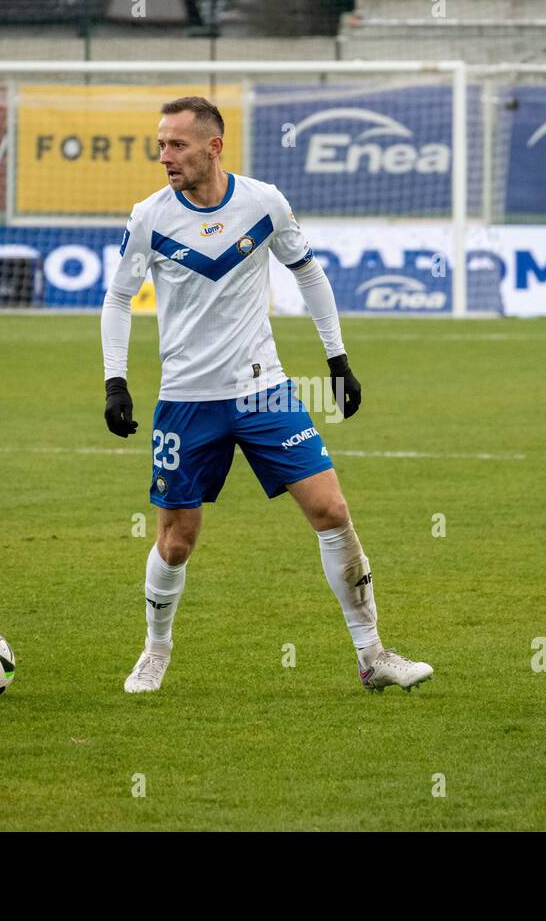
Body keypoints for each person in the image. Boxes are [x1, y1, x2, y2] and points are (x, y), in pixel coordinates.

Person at [100, 95, 434, 695]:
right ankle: (155, 650)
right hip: (186, 399)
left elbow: (308, 271)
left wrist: (337, 358)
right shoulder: (149, 216)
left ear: (214, 146)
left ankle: (373, 655)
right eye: (161, 145)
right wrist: (115, 381)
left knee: (332, 510)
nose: (164, 157)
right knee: (176, 542)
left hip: (265, 392)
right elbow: (119, 297)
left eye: (176, 145)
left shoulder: (264, 202)